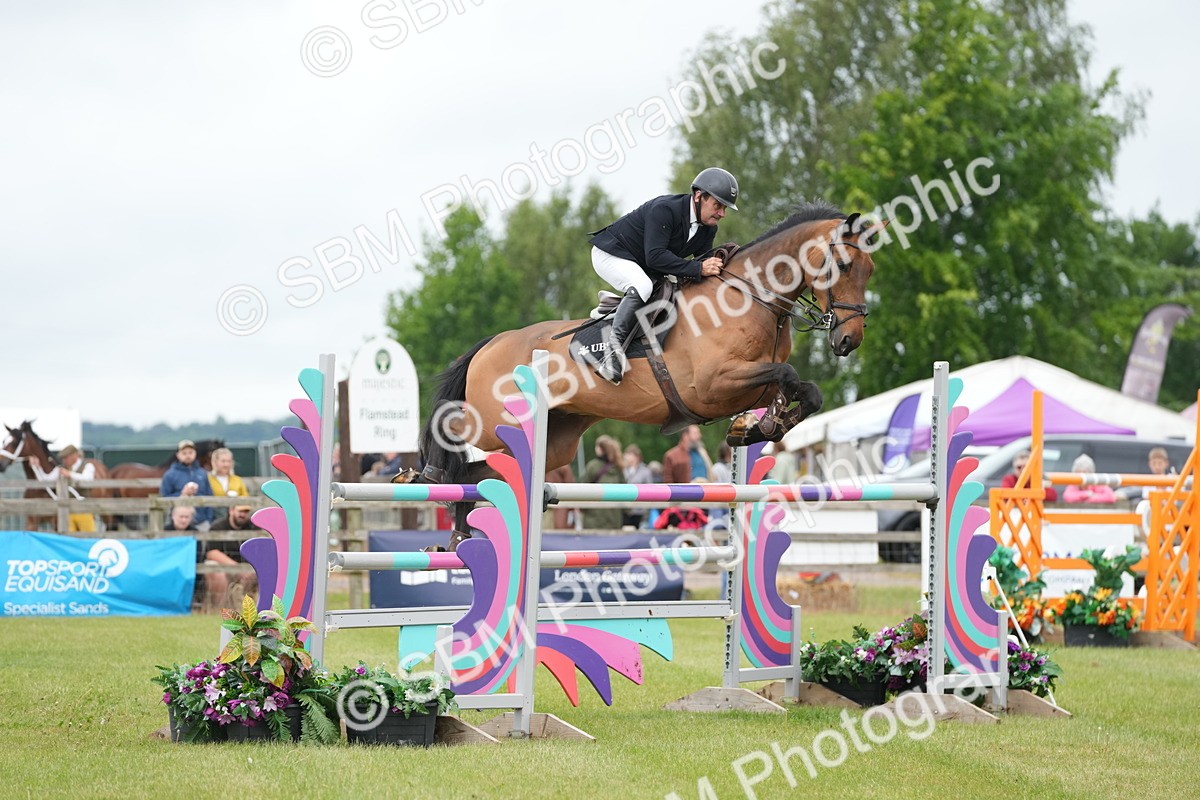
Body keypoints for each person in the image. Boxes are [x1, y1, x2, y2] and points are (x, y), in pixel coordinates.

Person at [587, 167, 740, 383]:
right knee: (643, 286)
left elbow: (700, 264)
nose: (722, 213)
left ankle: (615, 306)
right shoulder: (665, 210)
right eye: (718, 205)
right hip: (610, 254)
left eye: (724, 208)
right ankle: (611, 354)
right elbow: (656, 257)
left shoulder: (708, 229)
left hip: (642, 265)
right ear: (698, 196)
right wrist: (698, 269)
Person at [31, 445, 98, 532]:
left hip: (84, 509)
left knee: (89, 535)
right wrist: (36, 467)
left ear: (74, 455)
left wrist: (69, 474)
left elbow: (87, 479)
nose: (64, 461)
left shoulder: (88, 466)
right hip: (68, 510)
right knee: (69, 538)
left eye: (66, 458)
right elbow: (45, 480)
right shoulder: (61, 469)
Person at [161, 439, 215, 531]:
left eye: (190, 452)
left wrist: (209, 519)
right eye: (184, 453)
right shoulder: (169, 474)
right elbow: (164, 497)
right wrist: (182, 494)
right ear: (178, 455)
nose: (188, 455)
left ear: (195, 454)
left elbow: (209, 495)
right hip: (179, 524)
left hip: (201, 522)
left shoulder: (203, 473)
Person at [583, 435, 625, 530]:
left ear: (600, 449)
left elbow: (583, 487)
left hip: (593, 519)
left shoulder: (592, 466)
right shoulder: (618, 467)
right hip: (614, 518)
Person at [622, 444, 653, 528]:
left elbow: (650, 492)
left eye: (628, 454)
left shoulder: (645, 472)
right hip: (625, 510)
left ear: (636, 456)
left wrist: (646, 514)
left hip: (639, 511)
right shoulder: (623, 470)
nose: (625, 456)